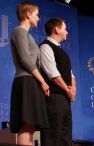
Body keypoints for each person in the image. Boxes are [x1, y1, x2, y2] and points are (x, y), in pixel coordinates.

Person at [10, 1, 50, 145]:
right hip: (26, 81)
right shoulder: (19, 31)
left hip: (32, 81)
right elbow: (26, 60)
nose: (39, 18)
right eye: (37, 15)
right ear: (28, 14)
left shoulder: (27, 35)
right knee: (26, 126)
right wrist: (43, 82)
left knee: (31, 128)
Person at [40, 17, 76, 146]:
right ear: (57, 29)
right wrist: (68, 90)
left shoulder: (63, 53)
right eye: (65, 29)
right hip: (53, 99)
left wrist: (73, 90)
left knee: (65, 138)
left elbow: (71, 75)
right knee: (52, 136)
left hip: (65, 100)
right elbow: (53, 74)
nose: (67, 32)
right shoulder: (45, 47)